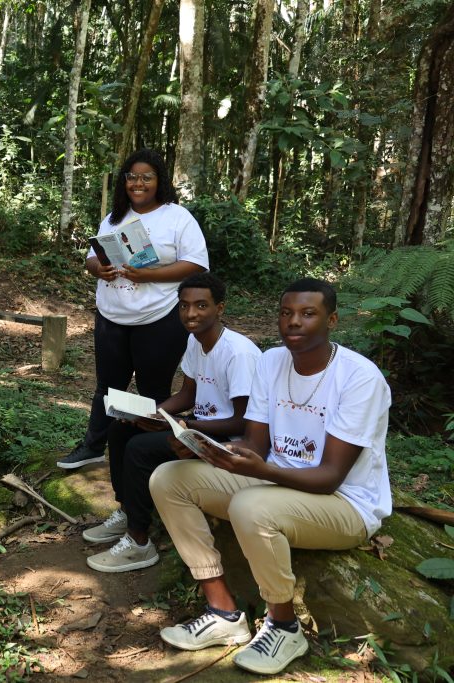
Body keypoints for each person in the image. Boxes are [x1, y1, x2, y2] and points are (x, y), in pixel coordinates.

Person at [151, 278, 391, 676]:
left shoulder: (359, 378)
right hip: (275, 481)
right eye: (286, 313)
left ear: (332, 320)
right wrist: (203, 447)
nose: (293, 322)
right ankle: (223, 612)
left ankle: (283, 625)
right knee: (169, 478)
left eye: (307, 314)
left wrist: (261, 470)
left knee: (250, 505)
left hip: (345, 504)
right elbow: (256, 447)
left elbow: (330, 477)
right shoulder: (271, 361)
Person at [57, 149, 209, 526]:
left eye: (147, 177)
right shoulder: (114, 217)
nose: (138, 184)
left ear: (160, 181)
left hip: (158, 318)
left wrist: (150, 275)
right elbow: (93, 257)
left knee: (152, 389)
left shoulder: (177, 217)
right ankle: (94, 447)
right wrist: (100, 269)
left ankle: (150, 456)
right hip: (112, 315)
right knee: (109, 388)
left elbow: (197, 264)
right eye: (132, 176)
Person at [84, 272, 261, 573]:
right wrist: (157, 413)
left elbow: (243, 422)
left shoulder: (238, 353)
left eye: (201, 305)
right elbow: (188, 393)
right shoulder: (195, 341)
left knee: (141, 449)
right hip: (197, 426)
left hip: (228, 441)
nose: (191, 313)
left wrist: (180, 424)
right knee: (121, 429)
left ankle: (139, 542)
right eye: (184, 306)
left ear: (220, 308)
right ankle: (128, 510)